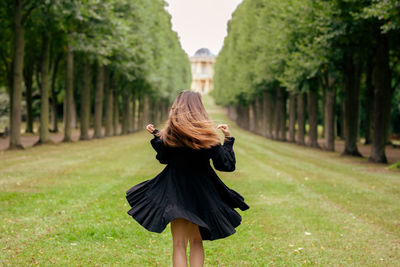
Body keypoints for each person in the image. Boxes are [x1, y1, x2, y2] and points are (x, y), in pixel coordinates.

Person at [125, 90, 250, 267]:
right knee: (196, 242)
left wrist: (158, 137)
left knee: (178, 244)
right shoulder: (208, 136)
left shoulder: (170, 135)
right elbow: (225, 166)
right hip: (202, 194)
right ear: (199, 108)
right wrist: (228, 139)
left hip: (175, 192)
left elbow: (164, 158)